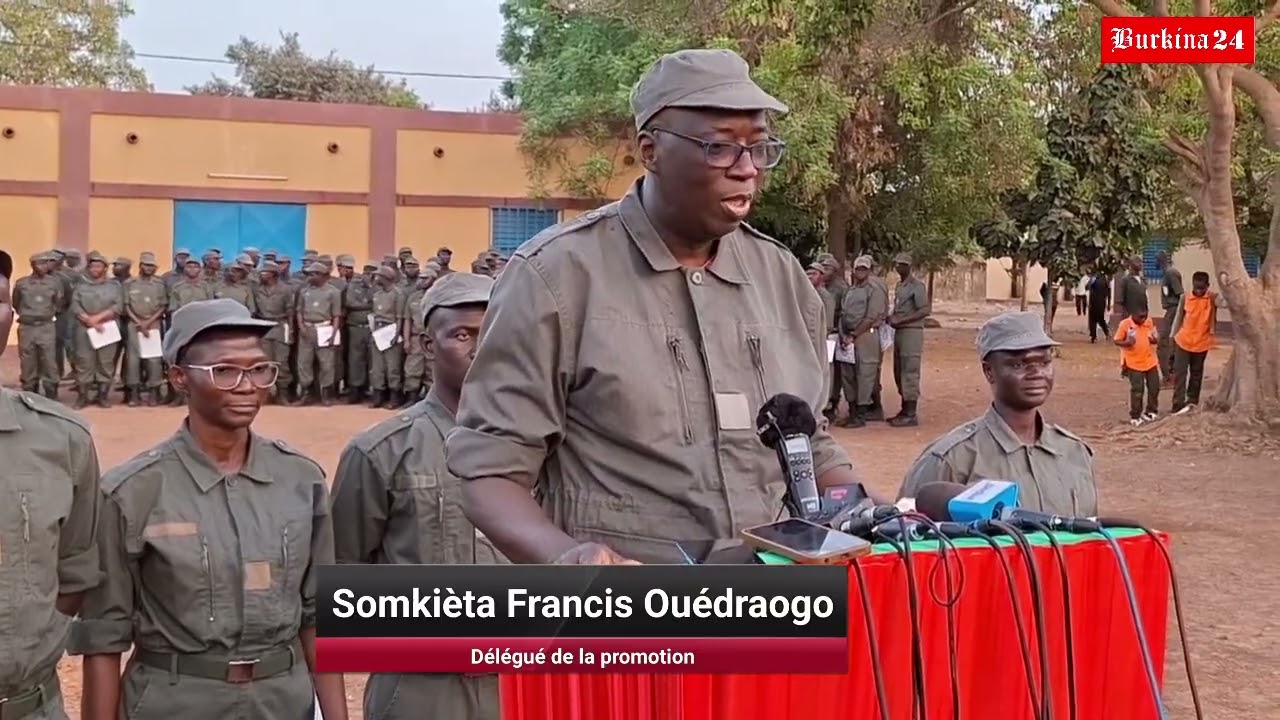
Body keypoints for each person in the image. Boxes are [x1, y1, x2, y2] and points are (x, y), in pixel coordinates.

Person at [446, 47, 861, 565]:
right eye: (719, 147)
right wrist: (570, 560)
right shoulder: (554, 276)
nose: (747, 169)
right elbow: (491, 473)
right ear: (651, 150)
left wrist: (867, 514)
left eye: (759, 147)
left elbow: (809, 444)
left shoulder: (782, 278)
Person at [69, 298, 347, 720]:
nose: (247, 385)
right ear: (180, 377)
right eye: (225, 371)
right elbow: (104, 638)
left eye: (259, 369)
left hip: (281, 702)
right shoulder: (133, 491)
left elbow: (318, 617)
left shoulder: (301, 479)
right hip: (176, 702)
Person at [332, 273, 508, 720]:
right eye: (463, 334)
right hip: (419, 690)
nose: (480, 347)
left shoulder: (548, 446)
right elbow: (344, 578)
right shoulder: (381, 451)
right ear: (429, 346)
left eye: (494, 331)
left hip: (522, 687)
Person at [0, 262, 104, 720]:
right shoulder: (150, 477)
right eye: (224, 369)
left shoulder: (62, 439)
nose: (245, 386)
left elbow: (77, 572)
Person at [898, 311, 1098, 516]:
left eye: (1044, 362)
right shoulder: (950, 459)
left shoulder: (1075, 453)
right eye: (1019, 364)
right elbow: (905, 534)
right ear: (989, 372)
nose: (1037, 373)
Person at [839, 255, 888, 428]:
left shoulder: (874, 289)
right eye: (858, 268)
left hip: (866, 335)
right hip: (847, 336)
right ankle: (852, 411)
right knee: (848, 374)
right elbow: (843, 313)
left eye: (864, 269)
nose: (860, 272)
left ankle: (861, 414)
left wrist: (854, 334)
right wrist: (844, 334)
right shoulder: (850, 290)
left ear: (869, 270)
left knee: (865, 373)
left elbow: (871, 316)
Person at [71, 252, 124, 409]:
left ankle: (102, 396)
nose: (95, 269)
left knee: (105, 362)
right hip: (84, 329)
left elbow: (118, 306)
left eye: (98, 266)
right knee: (84, 362)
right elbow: (75, 306)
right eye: (92, 266)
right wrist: (90, 321)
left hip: (107, 328)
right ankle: (82, 396)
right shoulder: (81, 286)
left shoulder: (114, 286)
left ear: (105, 268)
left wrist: (98, 319)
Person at [12, 251, 65, 398]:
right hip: (27, 326)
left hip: (46, 326)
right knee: (28, 360)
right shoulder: (22, 283)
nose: (43, 267)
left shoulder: (54, 283)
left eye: (45, 264)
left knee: (48, 359)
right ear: (32, 265)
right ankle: (30, 392)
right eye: (39, 264)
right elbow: (16, 303)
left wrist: (46, 314)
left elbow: (59, 303)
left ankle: (51, 393)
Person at [887, 253, 930, 427]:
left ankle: (911, 413)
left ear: (909, 266)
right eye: (897, 265)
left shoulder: (917, 286)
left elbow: (924, 310)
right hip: (900, 332)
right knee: (899, 370)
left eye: (903, 265)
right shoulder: (900, 286)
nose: (900, 268)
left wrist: (901, 320)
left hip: (912, 331)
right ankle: (904, 409)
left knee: (909, 370)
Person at [122, 252, 169, 407]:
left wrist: (148, 322)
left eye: (151, 266)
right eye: (145, 265)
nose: (148, 268)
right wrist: (139, 322)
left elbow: (163, 305)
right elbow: (127, 305)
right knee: (133, 360)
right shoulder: (130, 283)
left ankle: (153, 393)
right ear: (140, 266)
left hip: (153, 324)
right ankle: (134, 395)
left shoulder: (159, 284)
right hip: (134, 324)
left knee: (154, 360)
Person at [1169, 271, 1217, 415]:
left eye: (1202, 288)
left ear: (1207, 286)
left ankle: (1192, 402)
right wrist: (1172, 338)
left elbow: (1226, 302)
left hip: (1202, 343)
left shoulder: (1212, 298)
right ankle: (1177, 404)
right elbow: (1178, 319)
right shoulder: (1185, 298)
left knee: (1196, 375)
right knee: (1180, 374)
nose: (1198, 291)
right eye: (1196, 288)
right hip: (1183, 341)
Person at [295, 262, 343, 406]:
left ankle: (326, 394)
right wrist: (301, 328)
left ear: (322, 275)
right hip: (307, 328)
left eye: (314, 274)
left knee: (326, 363)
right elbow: (299, 311)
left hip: (325, 329)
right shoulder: (304, 291)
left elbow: (336, 316)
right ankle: (307, 392)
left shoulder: (333, 292)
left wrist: (334, 334)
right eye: (309, 274)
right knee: (304, 362)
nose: (310, 277)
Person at [1114, 305, 1161, 425]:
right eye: (1140, 317)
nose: (1143, 319)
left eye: (1145, 316)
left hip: (1150, 360)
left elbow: (1155, 338)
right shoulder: (1125, 324)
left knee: (1154, 386)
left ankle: (1151, 411)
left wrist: (1155, 340)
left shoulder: (1148, 322)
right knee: (1137, 389)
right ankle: (1135, 415)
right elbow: (1117, 340)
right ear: (1133, 315)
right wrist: (1127, 343)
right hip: (1133, 362)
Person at [1155, 250, 1183, 384]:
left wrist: (1179, 315)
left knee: (1164, 344)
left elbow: (1180, 294)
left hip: (1174, 310)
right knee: (1165, 344)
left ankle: (1169, 376)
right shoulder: (1167, 274)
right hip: (1170, 311)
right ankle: (1169, 375)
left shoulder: (1171, 273)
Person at [1086, 271, 1111, 343]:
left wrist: (1108, 303)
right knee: (1093, 319)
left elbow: (1108, 293)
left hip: (1099, 303)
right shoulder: (1094, 280)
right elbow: (1087, 287)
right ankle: (1093, 336)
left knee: (1099, 319)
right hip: (1095, 302)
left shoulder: (1104, 280)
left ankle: (1104, 333)